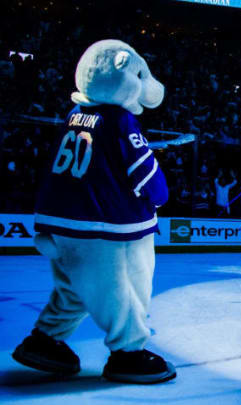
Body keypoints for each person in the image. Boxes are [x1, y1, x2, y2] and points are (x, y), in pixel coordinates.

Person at [12, 40, 176, 384]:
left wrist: (44, 222)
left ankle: (44, 340)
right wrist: (160, 193)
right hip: (106, 228)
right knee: (123, 288)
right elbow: (147, 175)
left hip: (62, 225)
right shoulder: (119, 119)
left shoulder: (75, 116)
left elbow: (58, 170)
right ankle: (128, 353)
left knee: (75, 286)